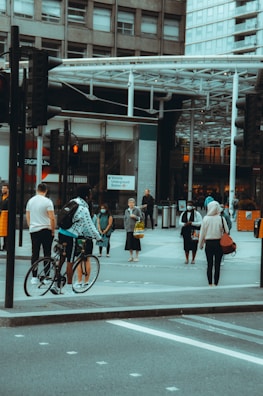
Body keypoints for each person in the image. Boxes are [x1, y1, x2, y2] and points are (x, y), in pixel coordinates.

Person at [58, 185, 101, 289]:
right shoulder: (83, 209)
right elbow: (90, 226)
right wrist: (98, 237)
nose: (91, 195)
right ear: (86, 195)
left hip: (61, 231)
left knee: (62, 257)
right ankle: (69, 286)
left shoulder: (72, 202)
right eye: (90, 193)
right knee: (70, 260)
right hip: (71, 235)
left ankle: (56, 279)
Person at [26, 183, 56, 284]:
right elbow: (52, 217)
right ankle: (46, 276)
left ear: (37, 190)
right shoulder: (48, 202)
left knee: (35, 253)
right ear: (46, 190)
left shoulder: (30, 201)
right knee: (47, 253)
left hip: (34, 229)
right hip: (46, 229)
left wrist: (31, 226)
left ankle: (34, 277)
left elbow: (28, 215)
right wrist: (53, 230)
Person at [198, 200, 229, 286]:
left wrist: (200, 245)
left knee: (209, 264)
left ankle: (209, 283)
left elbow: (202, 233)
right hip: (219, 243)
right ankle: (216, 282)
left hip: (209, 243)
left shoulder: (206, 219)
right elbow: (227, 230)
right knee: (217, 265)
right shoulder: (221, 218)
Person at [124, 198, 142, 262]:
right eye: (130, 203)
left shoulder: (137, 210)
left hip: (136, 229)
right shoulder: (127, 210)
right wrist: (126, 227)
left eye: (132, 203)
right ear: (128, 204)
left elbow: (141, 218)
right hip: (129, 229)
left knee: (136, 243)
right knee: (129, 243)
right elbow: (125, 219)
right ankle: (131, 256)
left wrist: (135, 217)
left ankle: (136, 256)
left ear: (134, 203)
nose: (131, 204)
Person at [0, 183, 9, 251]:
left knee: (6, 232)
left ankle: (5, 246)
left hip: (6, 215)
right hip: (1, 214)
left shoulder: (9, 198)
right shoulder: (0, 197)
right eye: (2, 188)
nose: (3, 189)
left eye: (5, 188)